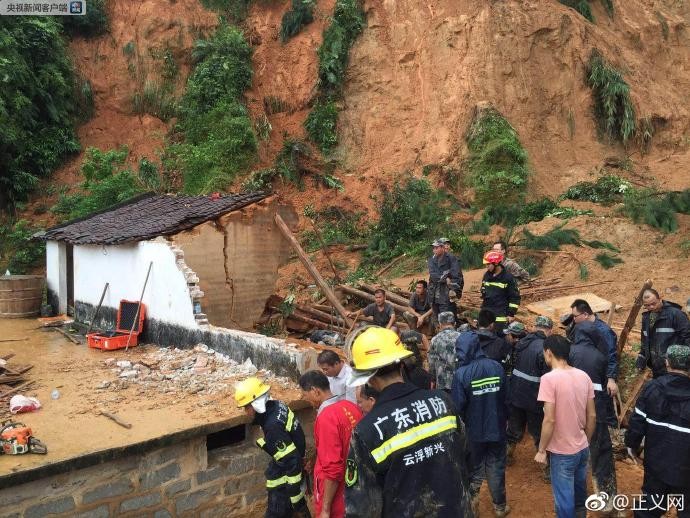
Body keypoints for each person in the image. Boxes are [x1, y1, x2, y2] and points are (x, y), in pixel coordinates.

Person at [344, 327, 473, 517]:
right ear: (402, 365)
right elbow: (466, 456)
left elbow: (362, 507)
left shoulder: (367, 431)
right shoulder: (442, 401)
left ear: (369, 378)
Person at [625, 345, 690, 518]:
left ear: (667, 362)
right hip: (686, 467)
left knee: (651, 507)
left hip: (657, 463)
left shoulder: (652, 388)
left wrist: (631, 446)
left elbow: (637, 421)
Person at [535, 335, 596, 518]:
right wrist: (586, 440)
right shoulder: (583, 376)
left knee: (564, 502)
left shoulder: (549, 379)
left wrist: (541, 449)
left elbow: (549, 420)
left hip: (562, 452)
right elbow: (592, 415)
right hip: (582, 447)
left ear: (548, 353)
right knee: (579, 496)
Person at [452, 332, 510, 517]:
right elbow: (506, 398)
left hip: (473, 431)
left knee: (474, 468)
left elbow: (458, 406)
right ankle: (500, 507)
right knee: (496, 465)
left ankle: (473, 505)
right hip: (497, 428)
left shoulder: (461, 374)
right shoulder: (496, 367)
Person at [234, 377, 310, 518]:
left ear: (256, 404)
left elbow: (292, 461)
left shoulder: (272, 426)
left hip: (283, 486)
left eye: (247, 407)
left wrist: (296, 499)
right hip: (288, 468)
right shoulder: (277, 405)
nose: (246, 412)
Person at [299, 370, 362, 518]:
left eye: (305, 395)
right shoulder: (350, 406)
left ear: (315, 391)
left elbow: (333, 469)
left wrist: (325, 509)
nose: (305, 400)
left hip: (336, 495)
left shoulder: (326, 417)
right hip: (355, 485)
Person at [569, 320, 618, 509]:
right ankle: (606, 498)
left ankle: (576, 496)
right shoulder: (601, 356)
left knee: (572, 451)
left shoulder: (569, 353)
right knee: (601, 451)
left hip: (572, 408)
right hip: (595, 408)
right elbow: (606, 388)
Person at [506, 316, 552, 469]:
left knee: (513, 428)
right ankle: (546, 468)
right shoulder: (545, 349)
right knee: (539, 432)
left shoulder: (522, 342)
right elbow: (548, 378)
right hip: (534, 399)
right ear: (549, 330)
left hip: (516, 394)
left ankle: (507, 456)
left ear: (535, 327)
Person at [570, 299, 619, 398]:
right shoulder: (580, 328)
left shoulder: (604, 331)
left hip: (600, 376)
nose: (574, 319)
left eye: (575, 316)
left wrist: (611, 379)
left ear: (585, 314)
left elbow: (611, 356)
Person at [638, 288, 690, 378]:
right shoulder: (646, 318)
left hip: (674, 368)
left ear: (660, 298)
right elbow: (645, 341)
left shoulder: (676, 314)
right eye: (647, 305)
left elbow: (687, 338)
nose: (651, 307)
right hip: (656, 367)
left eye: (653, 303)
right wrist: (641, 359)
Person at [480, 251, 521, 335]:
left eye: (488, 264)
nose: (486, 267)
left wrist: (511, 314)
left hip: (500, 316)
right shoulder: (487, 275)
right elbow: (483, 290)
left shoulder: (508, 278)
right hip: (486, 313)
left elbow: (515, 297)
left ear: (496, 264)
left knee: (499, 339)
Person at [427, 240, 461, 321]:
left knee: (447, 319)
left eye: (436, 248)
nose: (434, 250)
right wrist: (446, 278)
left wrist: (453, 289)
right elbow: (433, 275)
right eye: (433, 248)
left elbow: (456, 275)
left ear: (442, 248)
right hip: (434, 294)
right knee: (437, 318)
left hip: (446, 293)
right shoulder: (431, 260)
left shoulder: (451, 258)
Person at [428, 311, 460, 392]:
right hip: (459, 381)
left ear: (440, 324)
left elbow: (431, 363)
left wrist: (433, 380)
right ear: (454, 323)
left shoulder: (435, 340)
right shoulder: (462, 337)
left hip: (442, 383)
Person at [475, 309, 513, 374]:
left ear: (478, 323)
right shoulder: (500, 343)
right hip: (492, 379)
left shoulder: (468, 338)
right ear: (492, 324)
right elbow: (506, 365)